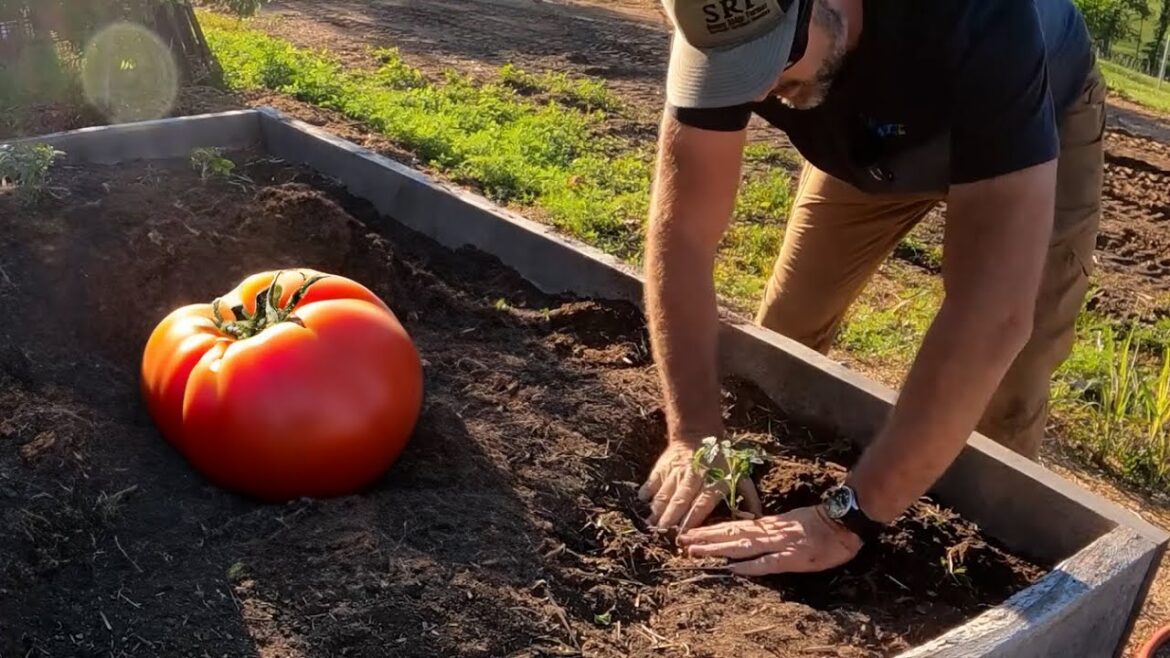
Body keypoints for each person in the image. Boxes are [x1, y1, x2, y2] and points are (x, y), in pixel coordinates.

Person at [638, 0, 1104, 576]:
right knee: (788, 331)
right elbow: (681, 235)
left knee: (1004, 397)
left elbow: (992, 313)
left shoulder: (980, 20)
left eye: (771, 59)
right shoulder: (723, 31)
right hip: (870, 126)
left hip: (1034, 116)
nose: (755, 90)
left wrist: (847, 517)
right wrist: (694, 433)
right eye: (733, 67)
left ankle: (977, 574)